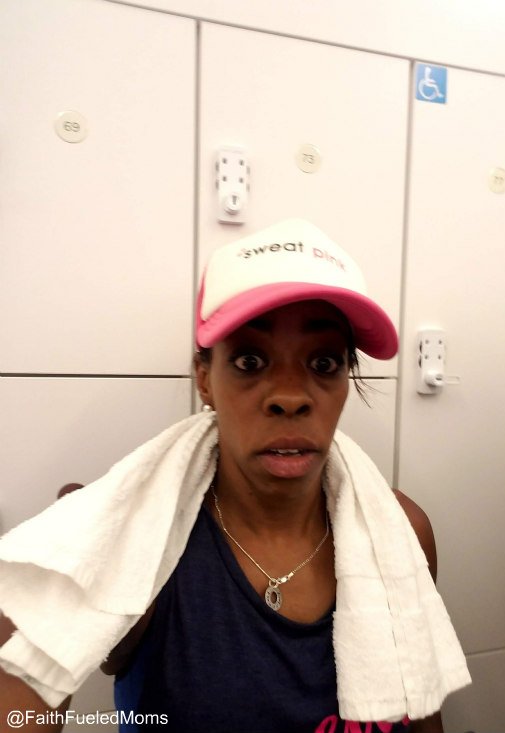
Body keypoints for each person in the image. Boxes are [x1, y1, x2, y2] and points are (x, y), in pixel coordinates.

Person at [0, 219, 469, 733]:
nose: (290, 396)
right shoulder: (118, 543)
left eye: (323, 362)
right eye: (250, 360)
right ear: (204, 378)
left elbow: (421, 706)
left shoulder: (401, 533)